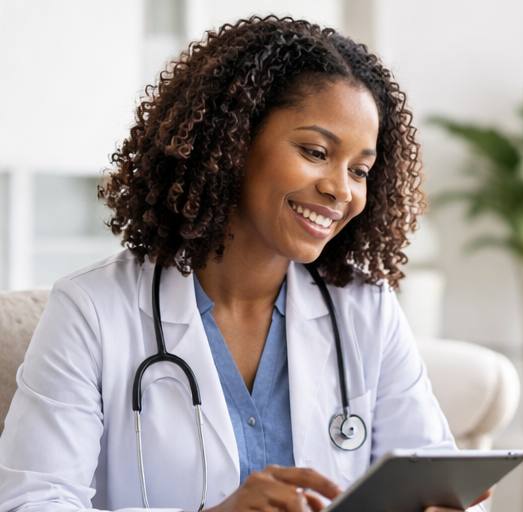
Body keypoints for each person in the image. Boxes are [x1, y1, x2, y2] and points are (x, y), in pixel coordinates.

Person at [0, 16, 484, 512]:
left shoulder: (365, 309)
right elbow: (31, 502)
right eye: (315, 152)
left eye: (360, 170)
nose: (341, 189)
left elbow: (435, 476)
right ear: (232, 140)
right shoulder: (93, 309)